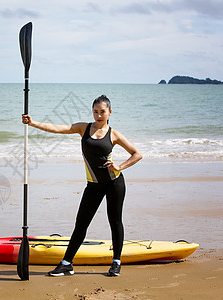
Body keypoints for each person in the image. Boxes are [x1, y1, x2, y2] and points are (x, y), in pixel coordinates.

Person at [22, 95, 142, 277]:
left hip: (114, 183)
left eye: (102, 112)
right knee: (81, 224)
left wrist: (119, 166)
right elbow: (58, 129)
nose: (99, 115)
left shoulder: (114, 134)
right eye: (95, 111)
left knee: (115, 221)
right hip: (93, 185)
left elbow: (137, 154)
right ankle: (67, 263)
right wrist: (33, 123)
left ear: (110, 112)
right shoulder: (83, 128)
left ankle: (116, 262)